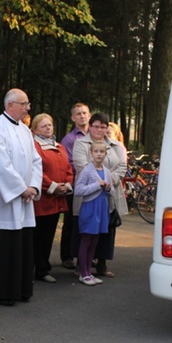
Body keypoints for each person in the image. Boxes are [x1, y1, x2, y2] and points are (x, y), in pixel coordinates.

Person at [0, 88, 42, 304]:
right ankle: (1, 292)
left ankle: (21, 289)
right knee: (3, 246)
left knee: (22, 243)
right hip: (2, 201)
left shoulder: (25, 130)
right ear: (10, 105)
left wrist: (33, 186)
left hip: (24, 199)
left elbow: (36, 160)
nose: (28, 108)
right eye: (24, 104)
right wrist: (20, 188)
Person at [73, 112, 127, 277]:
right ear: (90, 126)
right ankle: (83, 266)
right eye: (96, 126)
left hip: (109, 193)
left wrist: (110, 179)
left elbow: (122, 166)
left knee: (106, 229)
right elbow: (82, 166)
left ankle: (102, 264)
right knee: (87, 231)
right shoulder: (81, 143)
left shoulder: (116, 145)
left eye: (103, 127)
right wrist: (102, 180)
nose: (99, 129)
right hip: (89, 194)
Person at [31, 113, 73, 283]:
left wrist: (66, 185)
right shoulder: (34, 146)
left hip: (57, 200)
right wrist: (53, 186)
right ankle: (33, 269)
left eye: (50, 125)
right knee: (37, 237)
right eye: (44, 126)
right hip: (42, 200)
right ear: (34, 129)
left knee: (48, 236)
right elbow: (36, 171)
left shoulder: (60, 146)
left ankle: (43, 269)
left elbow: (68, 168)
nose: (48, 128)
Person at [74, 141, 113, 286]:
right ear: (91, 153)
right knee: (86, 240)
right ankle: (83, 273)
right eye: (96, 151)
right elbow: (78, 190)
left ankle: (89, 272)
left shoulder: (107, 171)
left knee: (95, 241)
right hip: (90, 208)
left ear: (105, 154)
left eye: (101, 152)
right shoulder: (87, 171)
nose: (99, 154)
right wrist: (97, 185)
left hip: (102, 209)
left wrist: (108, 188)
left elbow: (111, 193)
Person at [59, 102, 91, 269]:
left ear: (90, 115)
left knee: (87, 220)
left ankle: (85, 255)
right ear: (73, 118)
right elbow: (69, 163)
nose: (82, 116)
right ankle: (67, 256)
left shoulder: (95, 136)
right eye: (78, 114)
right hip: (75, 184)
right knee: (71, 220)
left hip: (92, 186)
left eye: (84, 113)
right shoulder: (69, 139)